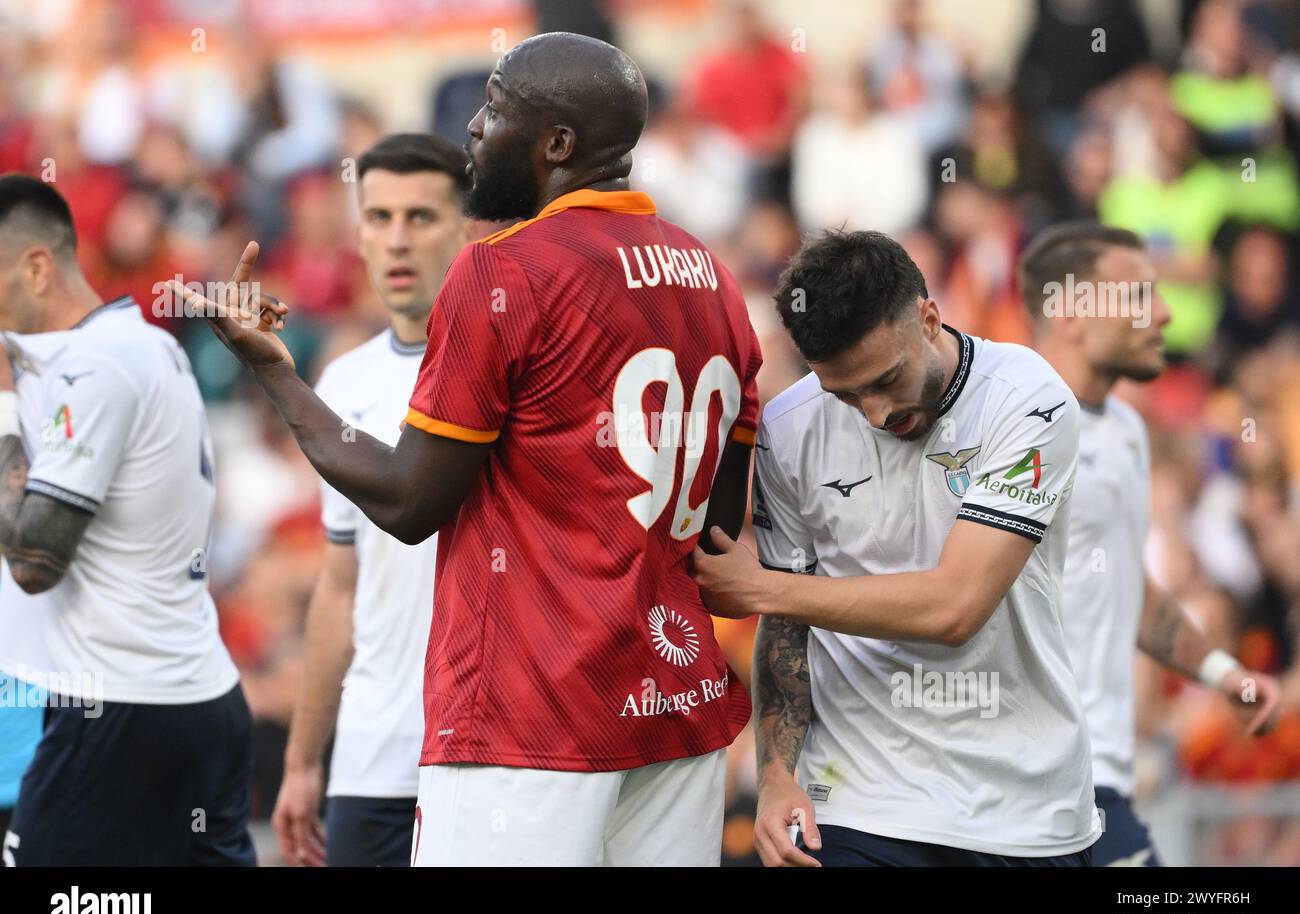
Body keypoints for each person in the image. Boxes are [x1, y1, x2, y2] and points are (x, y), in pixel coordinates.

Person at [178, 32, 761, 866]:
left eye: (495, 108)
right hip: (677, 708)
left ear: (558, 145)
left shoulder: (504, 269)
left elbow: (410, 502)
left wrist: (277, 377)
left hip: (533, 718)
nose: (476, 131)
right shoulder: (714, 276)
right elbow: (723, 530)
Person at [692, 229, 1100, 866]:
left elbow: (954, 609)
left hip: (1023, 809)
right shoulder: (789, 428)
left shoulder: (1029, 401)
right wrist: (775, 776)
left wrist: (765, 587)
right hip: (858, 803)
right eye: (846, 395)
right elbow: (787, 630)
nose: (875, 414)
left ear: (929, 316)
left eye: (887, 379)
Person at [0, 174, 253, 866]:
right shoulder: (123, 346)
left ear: (35, 266)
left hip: (122, 707)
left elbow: (33, 563)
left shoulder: (96, 366)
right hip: (191, 692)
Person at [1020, 221, 1282, 866]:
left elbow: (1124, 586)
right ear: (1072, 313)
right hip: (1016, 794)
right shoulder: (1001, 425)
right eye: (1138, 296)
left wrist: (1223, 673)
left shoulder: (1129, 433)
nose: (1164, 313)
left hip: (1100, 786)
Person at [271, 134, 472, 867]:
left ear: (467, 227)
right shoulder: (343, 384)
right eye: (378, 216)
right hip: (371, 755)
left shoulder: (516, 369)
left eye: (420, 217)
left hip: (491, 753)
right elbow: (340, 584)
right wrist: (301, 760)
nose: (396, 239)